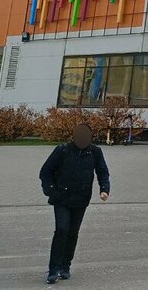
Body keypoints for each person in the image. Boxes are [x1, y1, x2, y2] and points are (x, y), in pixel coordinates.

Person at [38, 122, 111, 284]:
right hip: (62, 198)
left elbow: (102, 172)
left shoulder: (95, 152)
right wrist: (51, 190)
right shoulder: (62, 150)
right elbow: (45, 171)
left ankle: (65, 266)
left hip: (81, 198)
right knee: (62, 229)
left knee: (72, 232)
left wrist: (104, 189)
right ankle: (53, 269)